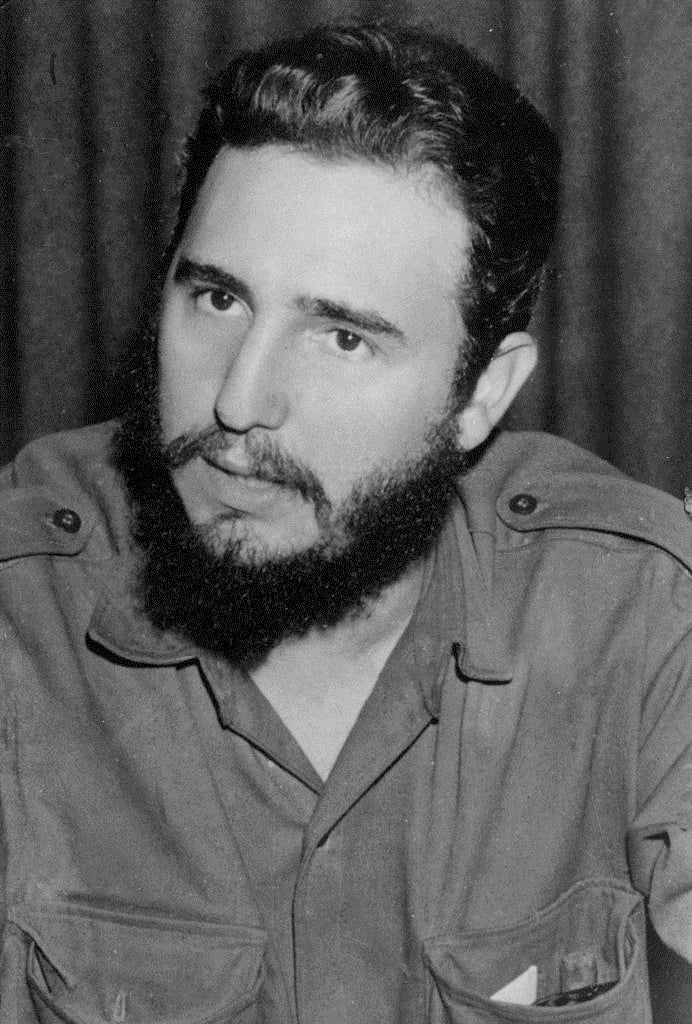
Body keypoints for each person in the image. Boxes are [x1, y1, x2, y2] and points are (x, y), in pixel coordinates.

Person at [0, 20, 689, 1023]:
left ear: (479, 396)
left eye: (341, 337)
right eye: (216, 297)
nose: (238, 401)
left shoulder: (636, 608)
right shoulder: (23, 608)